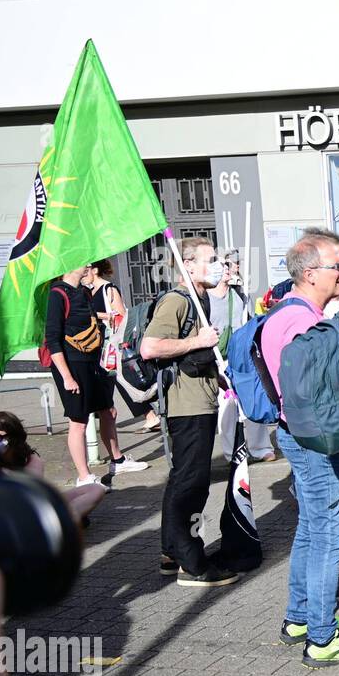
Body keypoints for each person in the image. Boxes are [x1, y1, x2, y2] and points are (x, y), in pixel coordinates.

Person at [258, 229, 339, 663]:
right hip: (312, 438)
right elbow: (320, 391)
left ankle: (299, 617)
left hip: (293, 434)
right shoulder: (305, 323)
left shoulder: (284, 313)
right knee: (328, 533)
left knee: (310, 528)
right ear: (311, 272)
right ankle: (321, 637)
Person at [140, 237, 233, 587]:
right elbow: (150, 347)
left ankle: (170, 551)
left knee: (183, 478)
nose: (219, 265)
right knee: (191, 483)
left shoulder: (201, 298)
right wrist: (199, 342)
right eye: (210, 259)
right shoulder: (177, 300)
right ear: (188, 265)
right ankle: (191, 562)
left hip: (200, 397)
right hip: (186, 405)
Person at [45, 265, 148, 488]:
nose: (89, 266)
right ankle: (84, 478)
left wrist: (107, 316)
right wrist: (66, 377)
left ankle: (117, 460)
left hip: (93, 360)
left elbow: (89, 316)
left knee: (108, 411)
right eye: (85, 262)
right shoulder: (57, 294)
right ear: (71, 265)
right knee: (79, 421)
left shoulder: (82, 291)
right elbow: (52, 339)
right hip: (72, 364)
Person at [208, 255, 276, 463]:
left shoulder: (238, 295)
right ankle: (233, 451)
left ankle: (261, 447)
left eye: (229, 265)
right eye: (223, 266)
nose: (228, 269)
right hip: (218, 358)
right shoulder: (205, 298)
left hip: (241, 357)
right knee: (227, 407)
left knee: (254, 397)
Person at [87, 258, 160, 431]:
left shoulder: (108, 289)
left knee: (119, 379)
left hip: (112, 342)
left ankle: (150, 414)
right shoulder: (88, 291)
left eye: (87, 269)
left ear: (95, 270)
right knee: (114, 380)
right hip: (99, 343)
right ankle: (148, 414)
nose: (84, 273)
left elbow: (121, 315)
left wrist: (97, 315)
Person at [0, 410, 106, 522]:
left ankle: (64, 520)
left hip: (31, 509)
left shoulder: (31, 460)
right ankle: (63, 522)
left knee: (95, 489)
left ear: (13, 437)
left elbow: (24, 493)